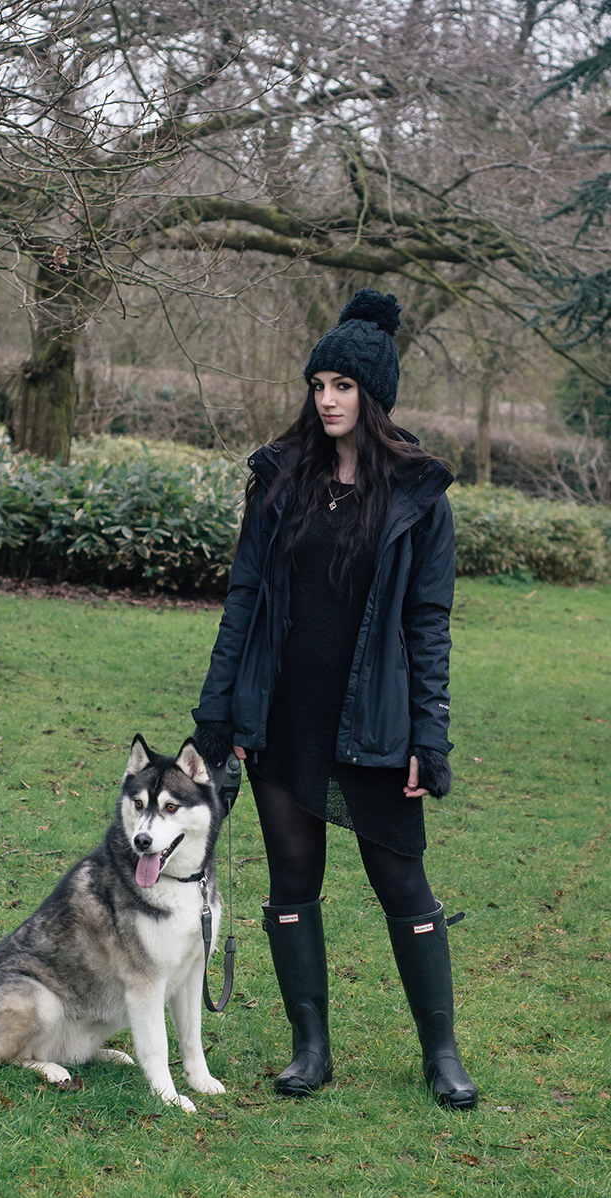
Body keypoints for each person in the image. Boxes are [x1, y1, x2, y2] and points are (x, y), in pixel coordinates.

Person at [192, 289, 477, 1110]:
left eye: (343, 386)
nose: (326, 400)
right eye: (318, 384)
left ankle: (441, 1052)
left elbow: (429, 626)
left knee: (403, 883)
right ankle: (309, 1049)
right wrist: (217, 715)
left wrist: (433, 737)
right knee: (292, 879)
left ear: (373, 396)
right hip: (284, 717)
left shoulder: (420, 497)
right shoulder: (279, 480)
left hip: (378, 724)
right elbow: (243, 599)